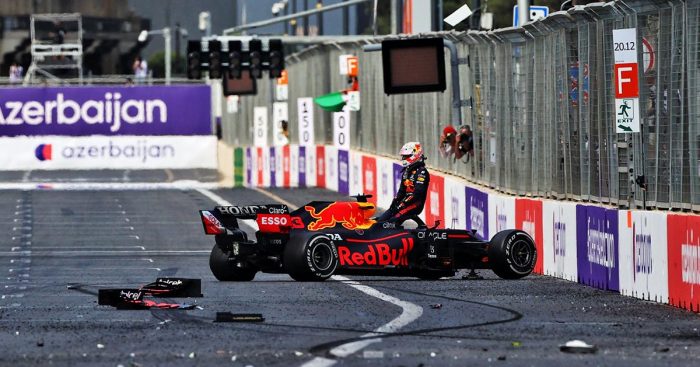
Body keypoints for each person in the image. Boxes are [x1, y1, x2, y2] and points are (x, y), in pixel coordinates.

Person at [375, 142, 430, 225]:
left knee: (391, 223)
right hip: (404, 204)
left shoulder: (422, 172)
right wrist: (394, 203)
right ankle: (374, 227)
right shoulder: (407, 171)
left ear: (414, 155)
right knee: (381, 220)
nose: (403, 158)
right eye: (403, 156)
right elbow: (401, 191)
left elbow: (418, 194)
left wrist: (402, 204)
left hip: (415, 205)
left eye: (406, 156)